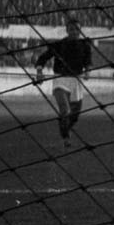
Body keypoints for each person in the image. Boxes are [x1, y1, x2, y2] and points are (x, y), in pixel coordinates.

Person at [34, 18, 94, 149]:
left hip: (76, 81)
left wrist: (88, 71)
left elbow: (88, 62)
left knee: (74, 116)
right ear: (67, 30)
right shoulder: (59, 45)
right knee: (65, 110)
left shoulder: (85, 45)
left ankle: (64, 128)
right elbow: (42, 58)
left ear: (80, 30)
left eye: (76, 29)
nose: (74, 32)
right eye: (71, 29)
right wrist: (39, 71)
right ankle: (66, 138)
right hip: (60, 80)